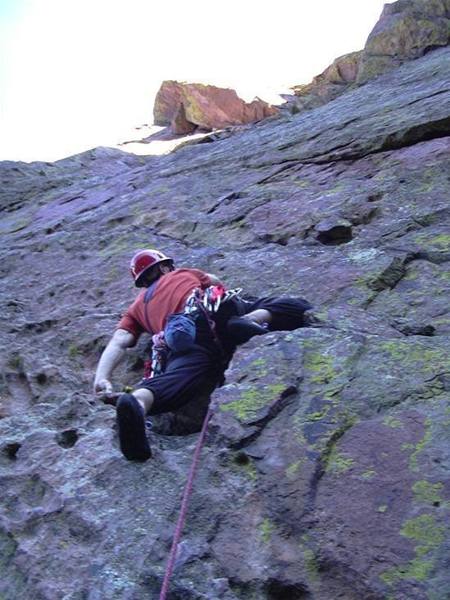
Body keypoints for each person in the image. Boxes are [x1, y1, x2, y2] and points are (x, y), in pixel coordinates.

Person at [94, 248, 315, 462]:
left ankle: (138, 402)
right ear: (163, 268)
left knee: (176, 379)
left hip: (185, 338)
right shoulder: (183, 273)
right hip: (215, 313)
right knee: (293, 306)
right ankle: (252, 319)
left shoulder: (136, 308)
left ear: (141, 282)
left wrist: (101, 378)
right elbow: (215, 281)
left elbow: (119, 341)